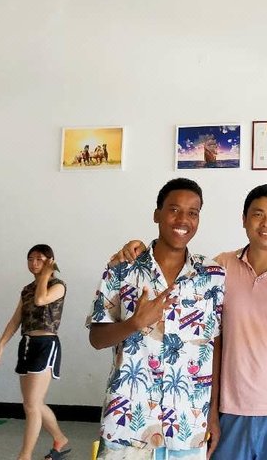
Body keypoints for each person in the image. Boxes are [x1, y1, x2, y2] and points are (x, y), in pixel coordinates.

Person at [113, 183, 267, 460]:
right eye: (258, 214)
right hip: (231, 411)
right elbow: (206, 337)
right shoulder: (219, 268)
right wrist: (136, 251)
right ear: (244, 220)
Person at [88, 178, 225, 460]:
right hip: (127, 423)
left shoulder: (212, 275)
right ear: (157, 214)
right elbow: (97, 339)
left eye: (192, 212)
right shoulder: (121, 270)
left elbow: (215, 345)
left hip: (188, 425)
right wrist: (134, 324)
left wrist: (213, 413)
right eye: (174, 209)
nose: (183, 219)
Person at [0, 244, 69, 460]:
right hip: (26, 344)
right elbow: (16, 319)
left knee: (33, 405)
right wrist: (1, 344)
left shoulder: (58, 285)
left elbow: (40, 299)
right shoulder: (26, 289)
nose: (34, 263)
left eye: (39, 259)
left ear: (50, 261)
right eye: (30, 259)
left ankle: (25, 455)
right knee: (31, 404)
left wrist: (45, 275)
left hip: (46, 343)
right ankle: (60, 438)